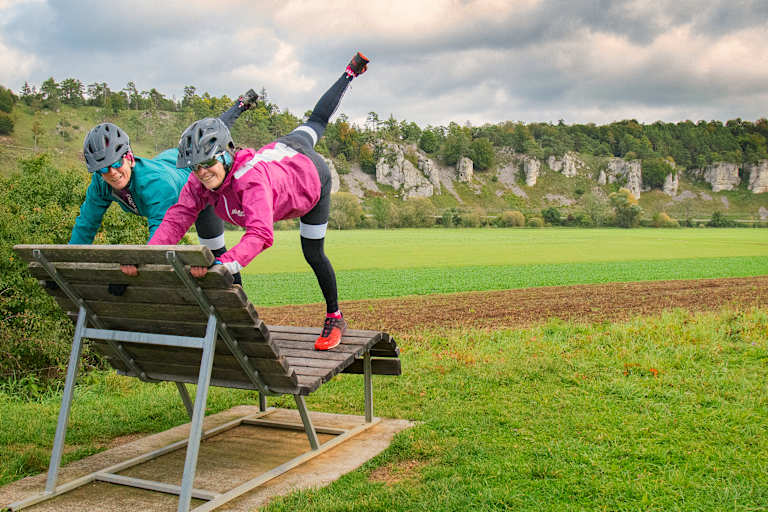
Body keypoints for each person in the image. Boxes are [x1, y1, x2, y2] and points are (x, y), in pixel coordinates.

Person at [145, 51, 369, 350]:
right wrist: (148, 255)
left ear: (226, 154)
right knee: (314, 123)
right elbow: (176, 219)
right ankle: (237, 321)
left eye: (208, 163)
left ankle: (335, 317)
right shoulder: (200, 180)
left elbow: (260, 234)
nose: (202, 172)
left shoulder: (251, 181)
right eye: (195, 167)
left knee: (313, 253)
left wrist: (221, 265)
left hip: (310, 179)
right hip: (281, 148)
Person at [69, 91, 259, 285]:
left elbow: (160, 241)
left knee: (215, 251)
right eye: (102, 169)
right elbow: (86, 224)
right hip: (170, 163)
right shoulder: (101, 182)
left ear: (130, 157)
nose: (112, 173)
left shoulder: (156, 186)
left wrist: (128, 278)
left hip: (198, 191)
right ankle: (240, 105)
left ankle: (238, 297)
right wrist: (68, 265)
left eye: (116, 163)